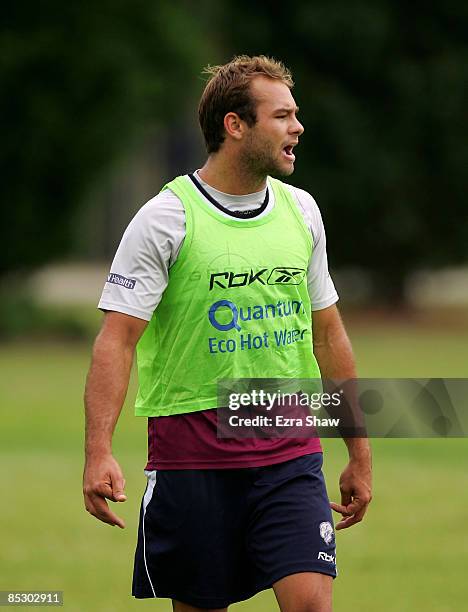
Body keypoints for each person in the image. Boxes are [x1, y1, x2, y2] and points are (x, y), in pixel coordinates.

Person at [83, 55, 372, 612]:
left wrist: (358, 450)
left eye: (296, 114)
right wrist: (99, 452)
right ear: (234, 125)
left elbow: (329, 335)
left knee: (312, 602)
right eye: (282, 115)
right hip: (194, 456)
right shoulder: (166, 219)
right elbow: (115, 341)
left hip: (289, 448)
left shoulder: (302, 212)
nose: (298, 127)